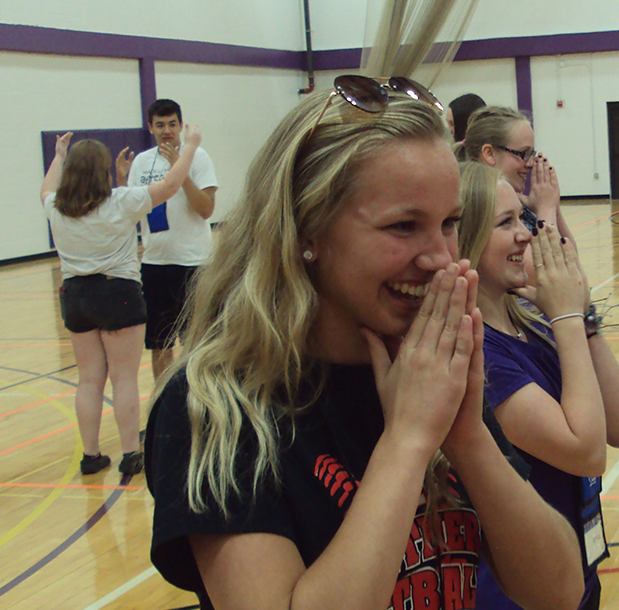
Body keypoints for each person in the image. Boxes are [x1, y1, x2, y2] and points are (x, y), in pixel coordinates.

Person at [145, 75, 584, 610]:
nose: (442, 258)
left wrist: (468, 438)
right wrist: (407, 441)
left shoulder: (427, 363)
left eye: (449, 223)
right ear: (307, 230)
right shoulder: (215, 405)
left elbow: (559, 592)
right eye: (403, 226)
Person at [456, 161, 619, 609]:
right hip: (517, 593)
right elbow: (585, 451)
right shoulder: (481, 356)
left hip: (578, 562)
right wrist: (567, 317)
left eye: (523, 217)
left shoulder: (532, 322)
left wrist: (582, 312)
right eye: (506, 223)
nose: (525, 233)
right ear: (467, 241)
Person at [40, 128, 200, 475]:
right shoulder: (120, 202)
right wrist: (190, 147)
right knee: (124, 378)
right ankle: (130, 453)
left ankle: (91, 454)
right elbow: (171, 185)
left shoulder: (55, 206)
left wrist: (58, 155)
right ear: (104, 172)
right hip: (118, 293)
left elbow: (46, 187)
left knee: (89, 380)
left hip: (75, 296)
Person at [120, 99, 220, 385]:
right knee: (159, 343)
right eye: (160, 125)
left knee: (196, 342)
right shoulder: (141, 162)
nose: (167, 131)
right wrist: (120, 180)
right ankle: (164, 406)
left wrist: (180, 168)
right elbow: (131, 209)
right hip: (155, 264)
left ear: (181, 125)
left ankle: (197, 401)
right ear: (150, 127)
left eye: (172, 124)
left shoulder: (199, 157)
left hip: (193, 263)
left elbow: (205, 210)